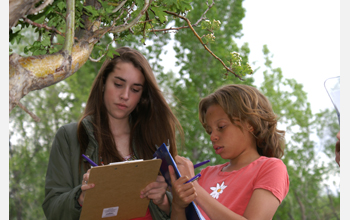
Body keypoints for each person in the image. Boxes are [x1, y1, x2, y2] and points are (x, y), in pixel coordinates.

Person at [42, 47, 184, 220]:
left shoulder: (154, 142)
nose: (125, 95)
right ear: (103, 83)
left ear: (143, 96)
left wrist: (164, 201)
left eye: (135, 89)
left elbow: (180, 211)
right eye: (118, 84)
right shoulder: (70, 136)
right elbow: (52, 210)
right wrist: (81, 197)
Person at [170, 84, 290, 220]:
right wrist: (177, 205)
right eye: (210, 131)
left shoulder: (271, 168)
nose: (212, 136)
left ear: (250, 124)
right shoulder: (205, 174)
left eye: (221, 127)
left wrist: (195, 189)